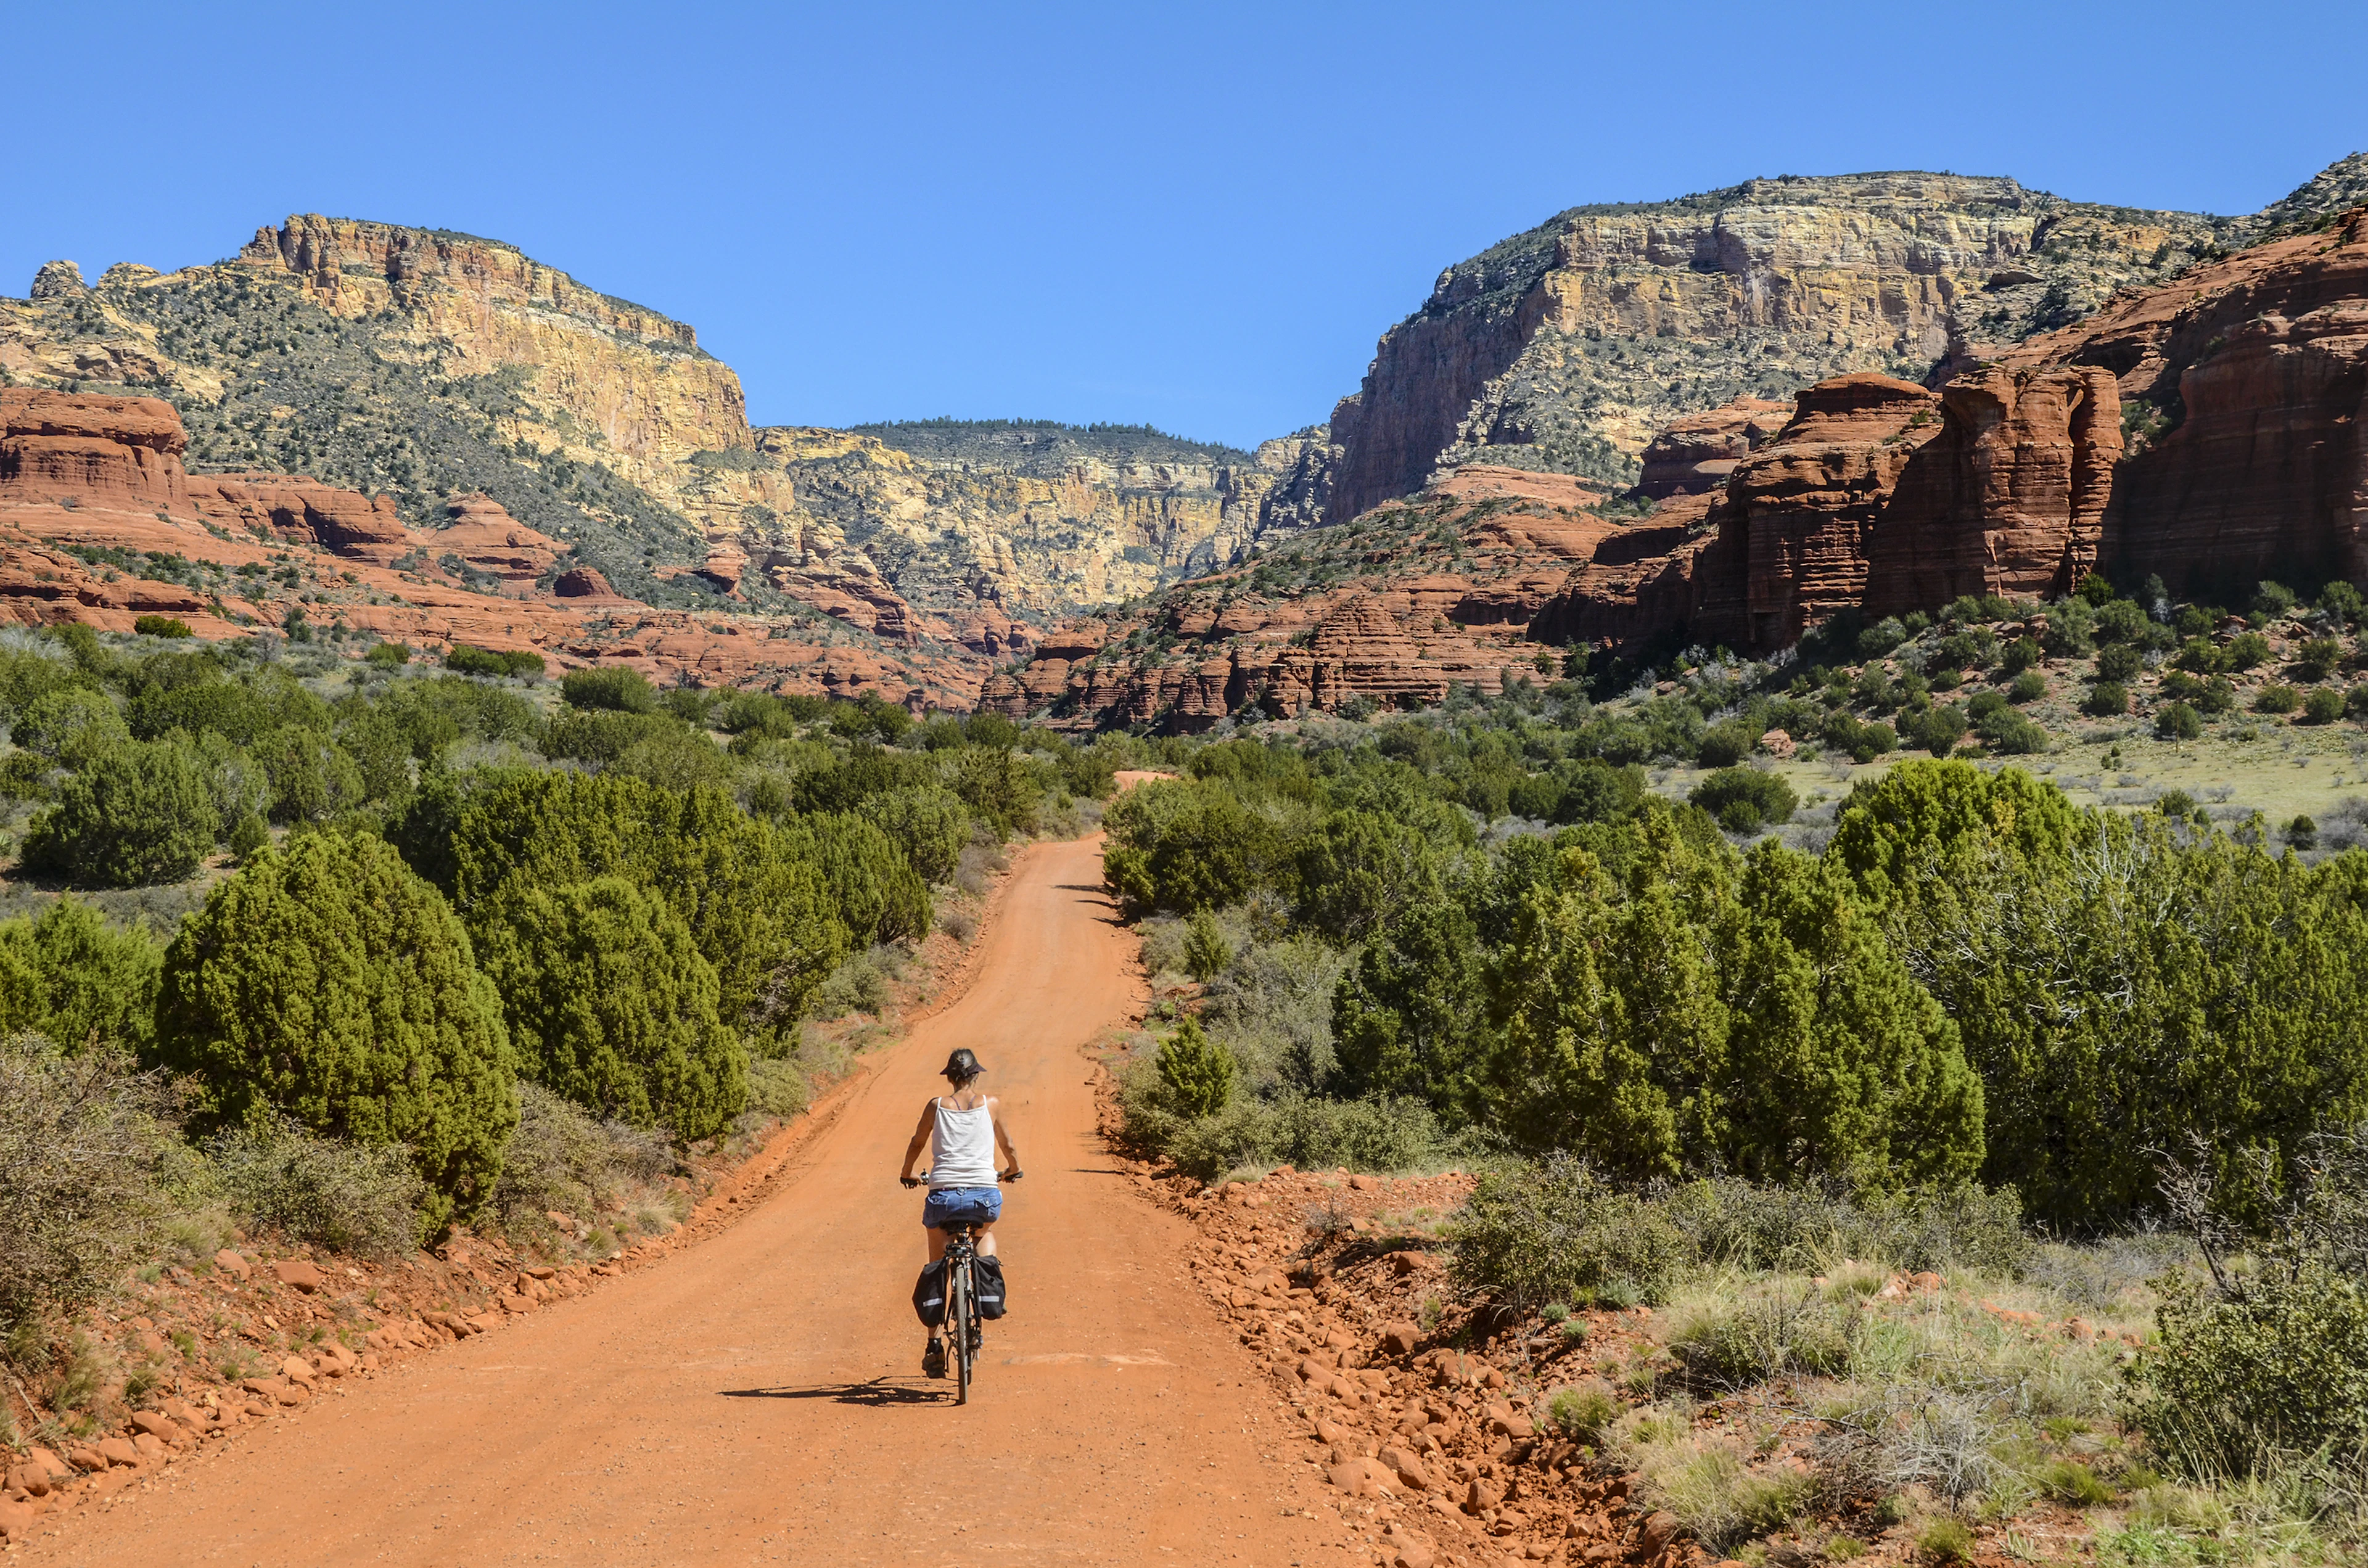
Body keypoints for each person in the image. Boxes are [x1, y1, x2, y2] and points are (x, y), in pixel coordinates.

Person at [898, 1047, 1021, 1379]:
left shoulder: (936, 1106)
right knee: (985, 1232)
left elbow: (916, 1142)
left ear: (950, 1077)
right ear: (975, 1076)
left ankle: (934, 1346)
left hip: (943, 1197)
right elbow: (1007, 1144)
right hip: (984, 1196)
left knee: (937, 1261)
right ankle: (985, 1281)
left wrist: (908, 1173)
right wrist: (1014, 1169)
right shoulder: (991, 1104)